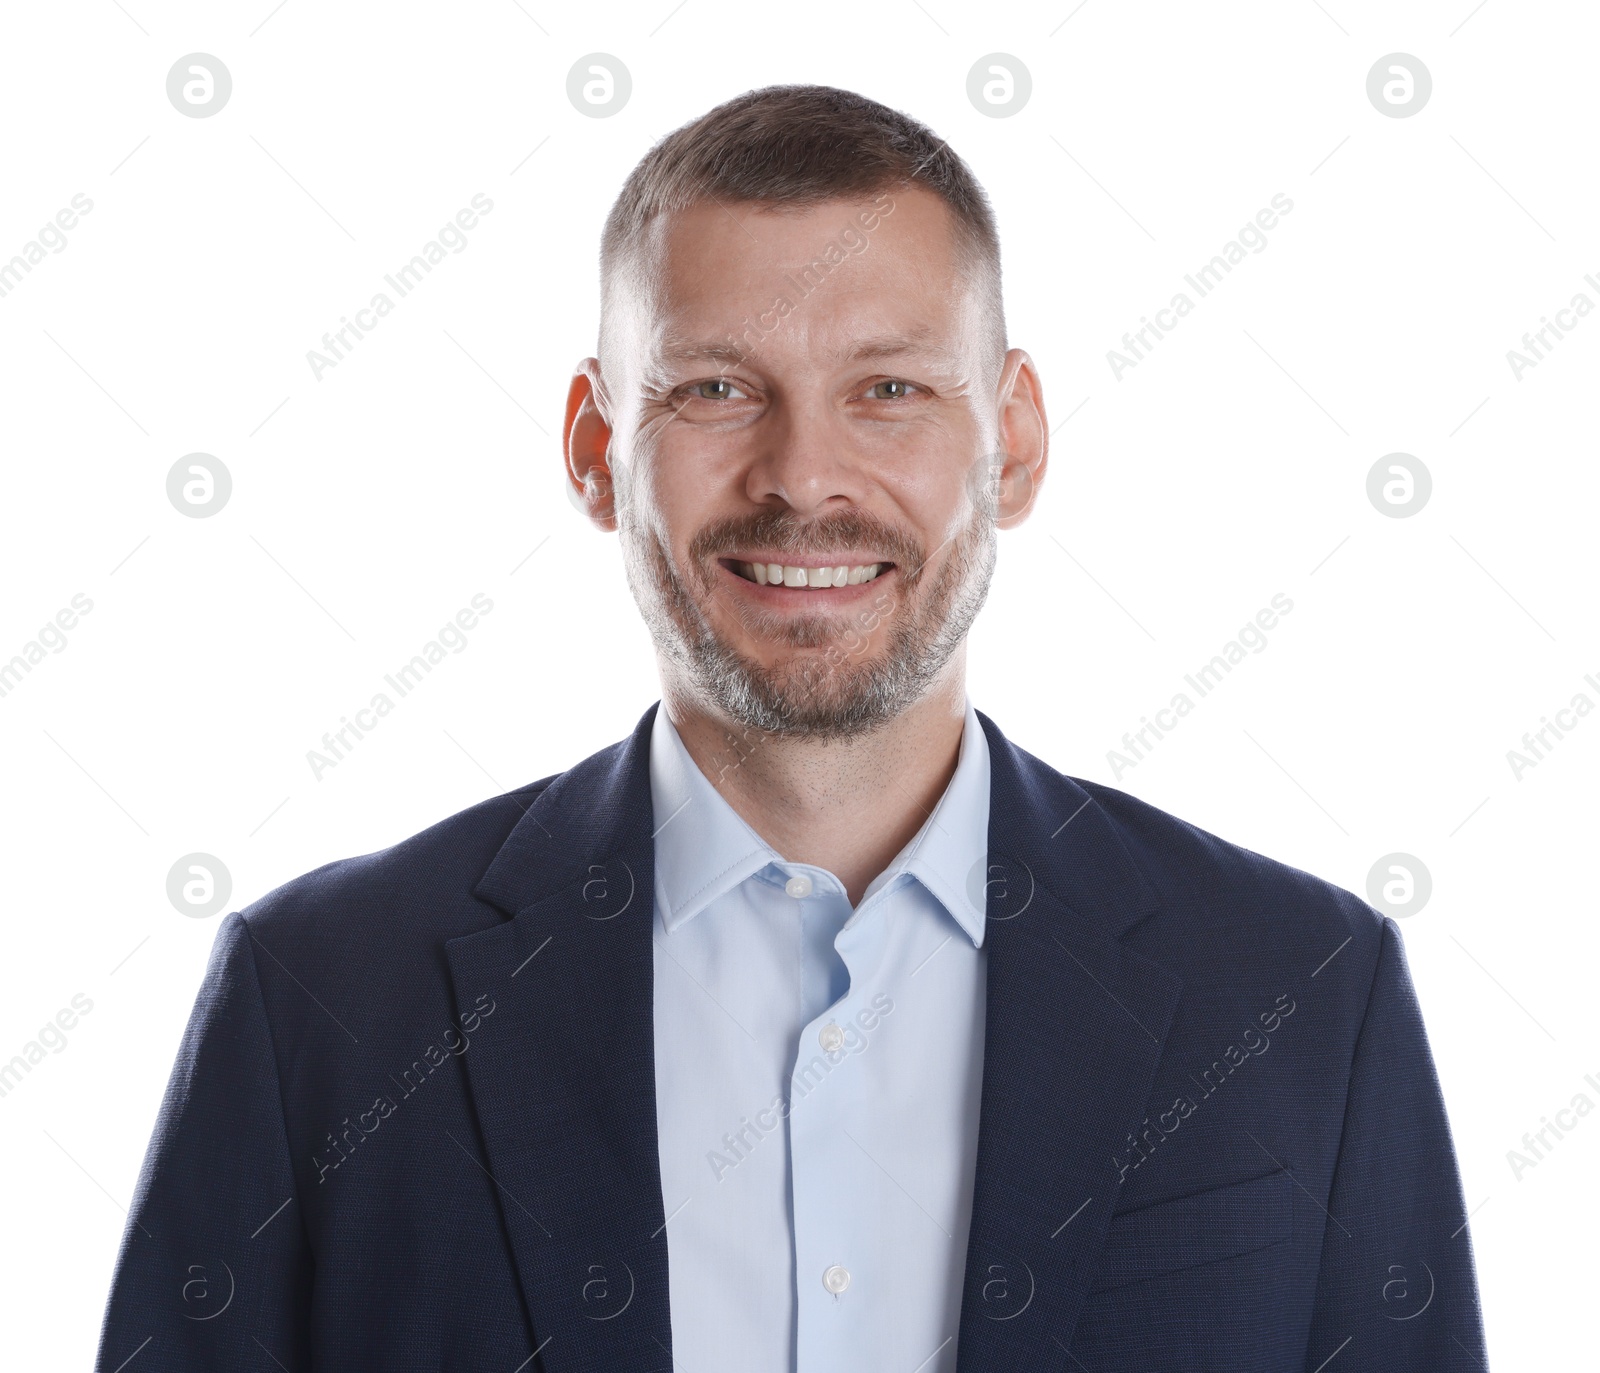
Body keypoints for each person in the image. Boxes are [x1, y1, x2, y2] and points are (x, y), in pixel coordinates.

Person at [97, 85, 1488, 1372]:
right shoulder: (324, 1001)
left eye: (889, 389)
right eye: (714, 387)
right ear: (594, 449)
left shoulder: (1306, 992)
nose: (803, 475)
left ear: (1013, 441)